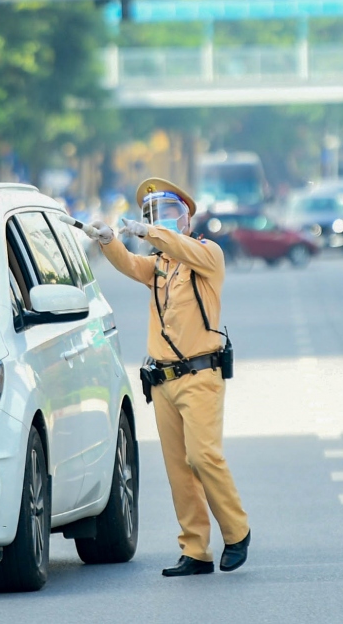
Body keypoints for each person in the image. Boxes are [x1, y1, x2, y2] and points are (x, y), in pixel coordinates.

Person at [83, 178, 250, 578]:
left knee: (202, 456)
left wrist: (150, 232)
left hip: (201, 375)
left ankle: (237, 530)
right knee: (179, 469)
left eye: (171, 215)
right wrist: (109, 240)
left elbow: (183, 248)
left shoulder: (207, 255)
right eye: (154, 216)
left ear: (188, 219)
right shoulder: (160, 266)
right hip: (164, 381)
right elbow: (129, 264)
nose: (162, 223)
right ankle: (195, 550)